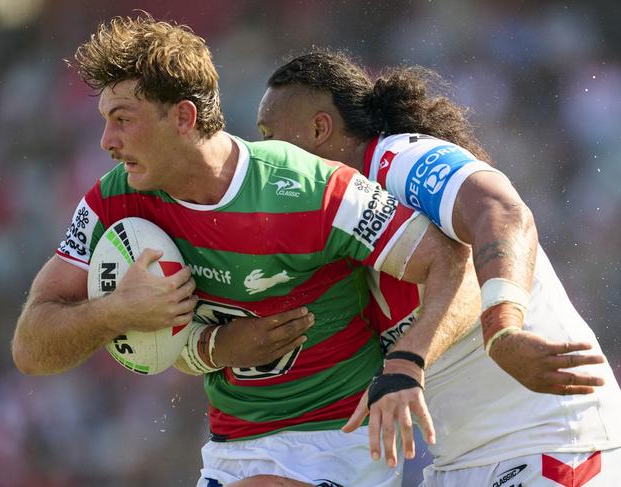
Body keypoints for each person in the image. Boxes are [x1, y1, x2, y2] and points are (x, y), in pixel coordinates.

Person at [11, 14, 486, 487]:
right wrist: (117, 312)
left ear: (183, 117)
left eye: (122, 121)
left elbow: (451, 262)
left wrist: (408, 362)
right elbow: (31, 347)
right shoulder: (116, 198)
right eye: (105, 122)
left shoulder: (309, 187)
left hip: (338, 446)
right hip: (229, 451)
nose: (106, 142)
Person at [251, 48, 621, 485]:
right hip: (455, 466)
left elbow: (501, 210)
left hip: (550, 441)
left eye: (268, 136)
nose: (261, 156)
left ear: (319, 128)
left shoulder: (395, 160)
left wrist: (503, 329)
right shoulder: (323, 229)